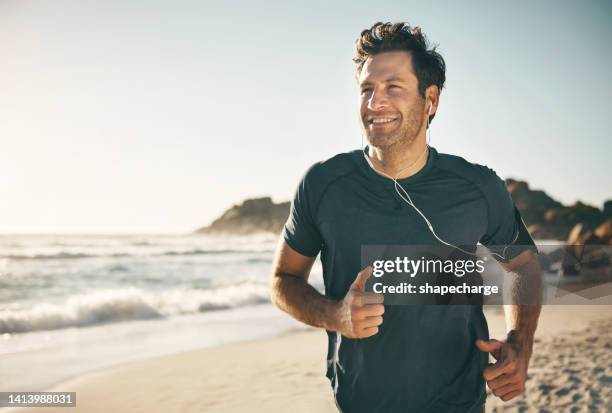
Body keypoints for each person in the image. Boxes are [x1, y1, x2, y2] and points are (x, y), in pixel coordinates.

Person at [270, 22, 542, 413]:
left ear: (430, 100)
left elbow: (524, 266)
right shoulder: (324, 185)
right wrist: (336, 315)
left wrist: (521, 343)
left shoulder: (478, 187)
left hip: (459, 402)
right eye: (366, 90)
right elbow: (283, 280)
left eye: (392, 88)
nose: (374, 102)